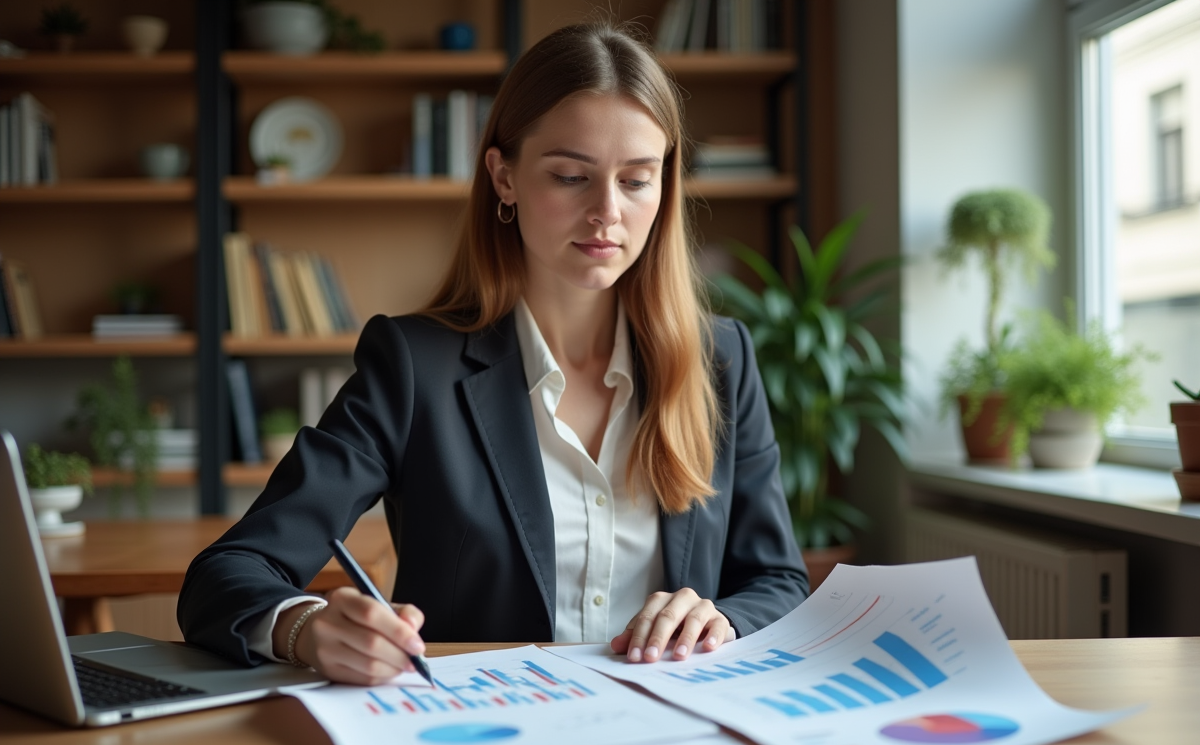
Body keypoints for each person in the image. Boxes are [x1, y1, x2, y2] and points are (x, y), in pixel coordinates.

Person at [178, 21, 808, 686]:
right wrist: (304, 629)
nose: (606, 213)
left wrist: (722, 620)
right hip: (484, 742)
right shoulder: (415, 366)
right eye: (570, 176)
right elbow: (228, 574)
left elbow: (776, 579)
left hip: (675, 743)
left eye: (636, 180)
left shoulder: (722, 361)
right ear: (503, 177)